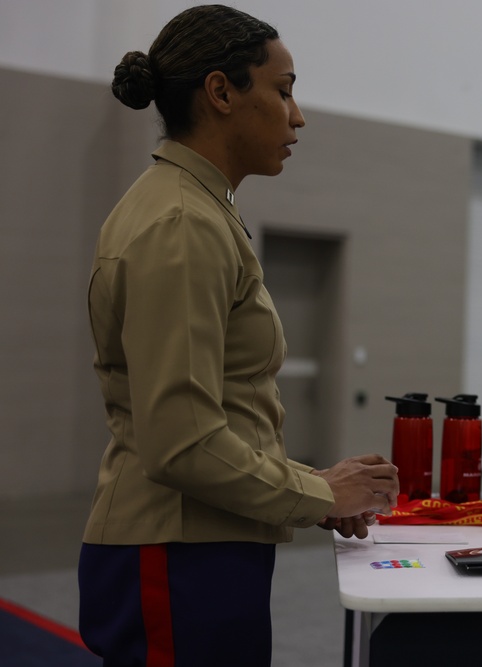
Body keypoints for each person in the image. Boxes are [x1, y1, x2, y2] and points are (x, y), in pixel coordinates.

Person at [78, 6, 399, 666]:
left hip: (205, 543)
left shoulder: (197, 209)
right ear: (221, 92)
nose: (297, 116)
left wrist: (308, 482)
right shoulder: (180, 223)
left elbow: (219, 412)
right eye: (282, 90)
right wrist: (316, 493)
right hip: (174, 552)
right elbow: (183, 441)